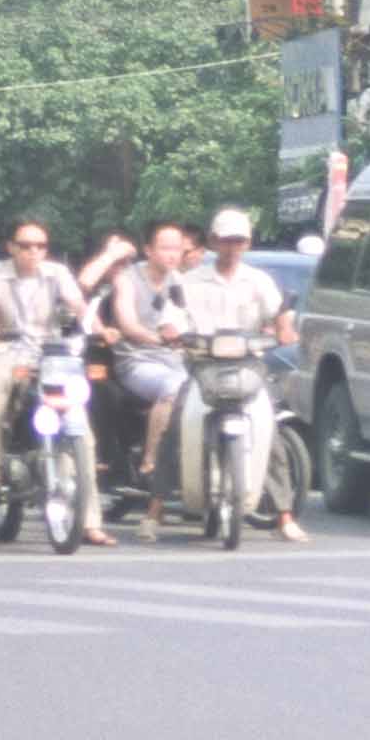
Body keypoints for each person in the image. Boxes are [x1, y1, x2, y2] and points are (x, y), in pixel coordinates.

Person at [0, 217, 117, 546]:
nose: (33, 252)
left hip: (52, 356)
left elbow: (78, 306)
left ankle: (89, 522)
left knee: (82, 434)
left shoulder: (57, 273)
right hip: (8, 350)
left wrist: (100, 330)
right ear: (11, 247)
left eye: (40, 246)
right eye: (25, 245)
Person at [167, 209, 307, 543]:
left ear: (247, 243)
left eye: (239, 241)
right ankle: (156, 505)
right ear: (214, 242)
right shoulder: (190, 282)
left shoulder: (258, 281)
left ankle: (284, 515)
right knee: (177, 422)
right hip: (203, 365)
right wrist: (172, 330)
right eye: (226, 240)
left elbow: (281, 314)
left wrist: (284, 330)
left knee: (269, 428)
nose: (232, 247)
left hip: (248, 366)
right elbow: (172, 315)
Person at [103, 221, 201, 527]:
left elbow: (195, 318)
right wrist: (158, 339)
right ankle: (151, 463)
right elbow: (128, 324)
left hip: (175, 358)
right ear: (148, 250)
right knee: (174, 387)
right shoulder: (127, 279)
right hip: (137, 361)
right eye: (165, 248)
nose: (173, 255)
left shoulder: (180, 281)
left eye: (177, 248)